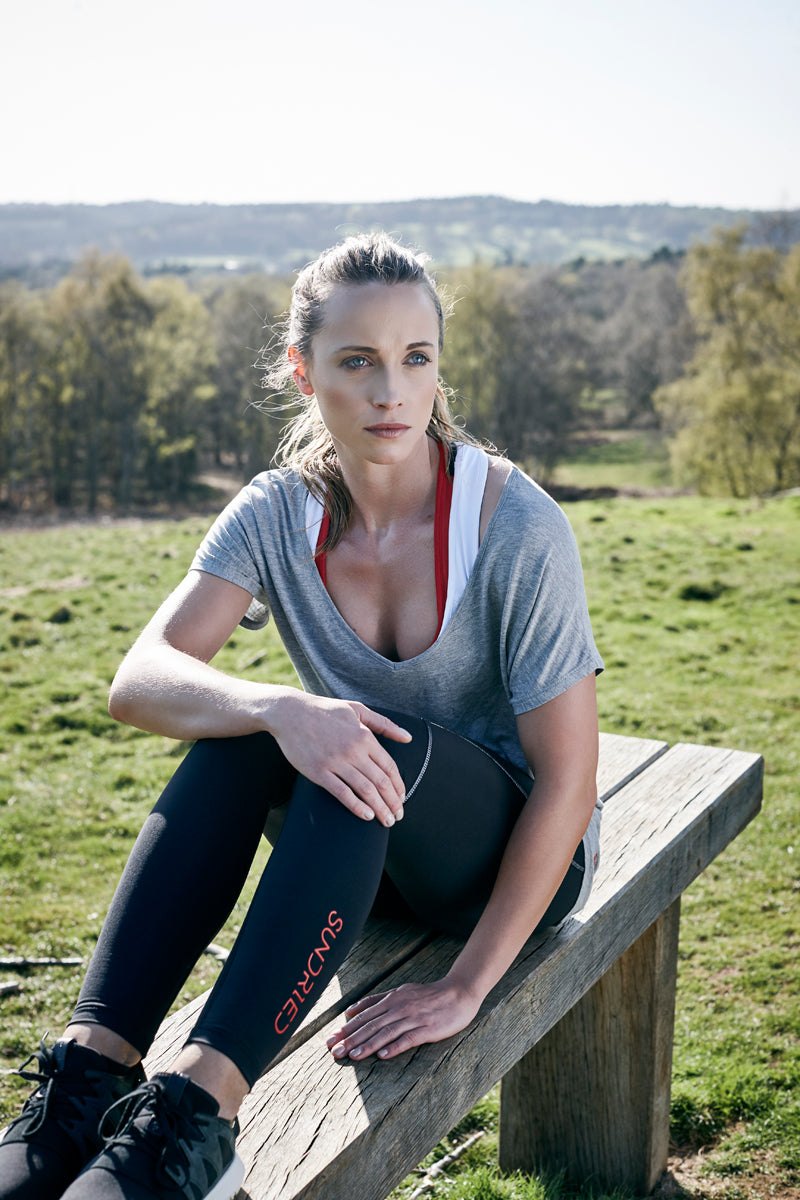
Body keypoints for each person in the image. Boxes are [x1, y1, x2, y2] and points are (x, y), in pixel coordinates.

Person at [0, 233, 604, 1200]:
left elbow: (570, 778)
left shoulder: (513, 524)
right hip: (352, 863)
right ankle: (89, 1075)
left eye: (416, 359)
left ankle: (196, 1120)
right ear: (303, 369)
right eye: (356, 361)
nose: (390, 392)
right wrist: (278, 705)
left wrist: (466, 986)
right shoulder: (275, 511)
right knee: (247, 733)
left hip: (509, 870)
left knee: (353, 738)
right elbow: (139, 678)